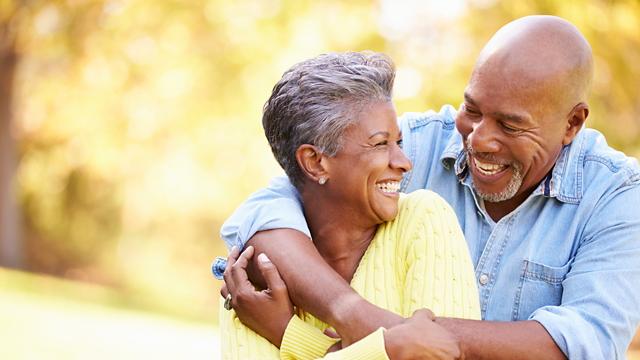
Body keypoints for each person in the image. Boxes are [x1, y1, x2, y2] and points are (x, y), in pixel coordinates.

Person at [217, 15, 640, 359]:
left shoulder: (618, 196)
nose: (478, 140)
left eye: (510, 125)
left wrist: (389, 338)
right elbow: (270, 210)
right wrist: (352, 313)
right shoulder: (414, 144)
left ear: (572, 123)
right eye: (471, 109)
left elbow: (583, 344)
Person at [216, 51, 481, 359]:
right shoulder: (253, 279)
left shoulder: (423, 220)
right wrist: (391, 348)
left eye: (399, 142)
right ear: (315, 162)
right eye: (381, 143)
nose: (404, 163)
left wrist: (290, 335)